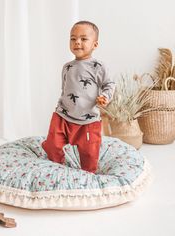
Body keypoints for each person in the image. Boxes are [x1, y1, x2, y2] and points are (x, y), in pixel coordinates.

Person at [42, 21, 115, 173]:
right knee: (52, 145)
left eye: (83, 39)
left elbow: (109, 84)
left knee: (89, 155)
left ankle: (87, 177)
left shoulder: (98, 66)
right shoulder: (67, 67)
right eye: (73, 38)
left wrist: (105, 96)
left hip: (88, 121)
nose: (77, 42)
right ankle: (57, 169)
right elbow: (64, 89)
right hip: (63, 116)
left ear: (95, 45)